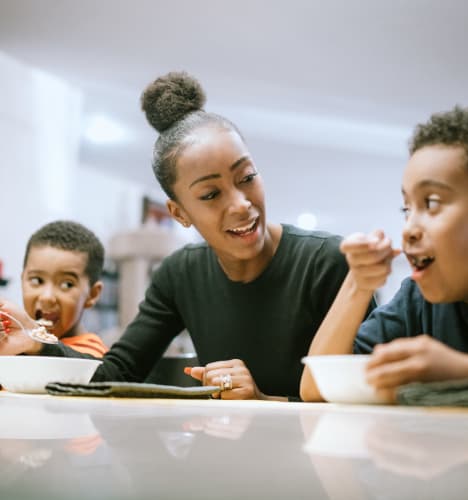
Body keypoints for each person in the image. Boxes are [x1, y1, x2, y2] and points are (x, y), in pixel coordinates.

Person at [0, 71, 370, 401]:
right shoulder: (180, 275)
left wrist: (264, 398)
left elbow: (364, 396)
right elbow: (116, 374)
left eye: (247, 177)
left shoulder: (329, 263)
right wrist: (37, 344)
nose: (241, 204)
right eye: (211, 195)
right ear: (178, 213)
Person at [301, 105, 468, 402]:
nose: (409, 228)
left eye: (431, 203)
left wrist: (466, 372)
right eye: (407, 208)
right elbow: (315, 388)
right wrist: (359, 283)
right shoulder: (416, 301)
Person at [0, 220, 107, 358]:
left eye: (67, 284)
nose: (47, 297)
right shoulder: (13, 341)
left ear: (92, 294)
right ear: (22, 281)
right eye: (37, 280)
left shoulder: (92, 356)